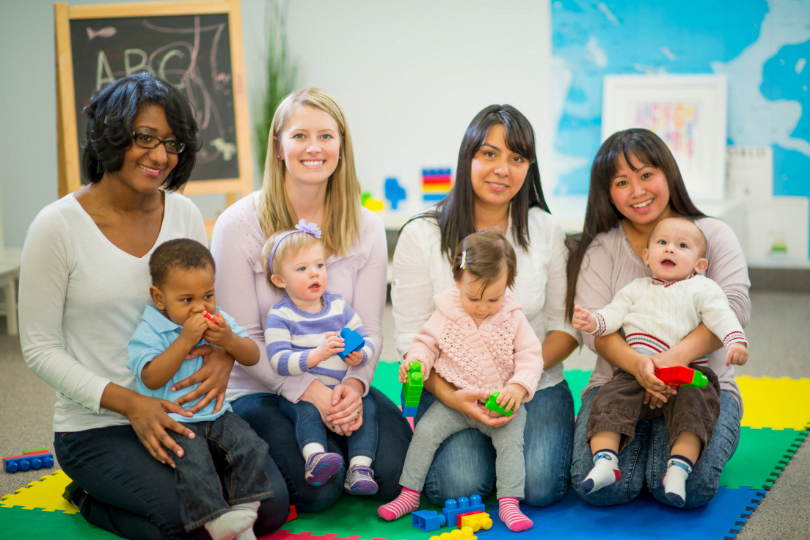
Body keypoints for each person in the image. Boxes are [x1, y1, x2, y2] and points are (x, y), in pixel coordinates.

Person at [19, 71, 289, 540]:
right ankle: (88, 494)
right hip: (99, 424)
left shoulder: (182, 213)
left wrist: (224, 354)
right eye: (145, 137)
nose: (160, 156)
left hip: (188, 415)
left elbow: (204, 308)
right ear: (111, 133)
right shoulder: (57, 226)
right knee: (190, 528)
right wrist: (132, 404)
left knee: (267, 510)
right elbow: (39, 349)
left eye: (172, 143)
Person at [210, 87, 412, 512]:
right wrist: (309, 391)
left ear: (341, 147)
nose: (314, 148)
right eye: (300, 136)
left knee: (395, 478)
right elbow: (243, 337)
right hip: (262, 387)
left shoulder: (367, 227)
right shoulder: (237, 226)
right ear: (279, 147)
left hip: (344, 380)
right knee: (318, 491)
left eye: (326, 136)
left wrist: (355, 386)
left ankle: (341, 432)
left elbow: (371, 330)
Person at [392, 104, 579, 508]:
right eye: (489, 154)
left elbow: (566, 328)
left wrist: (515, 381)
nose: (503, 169)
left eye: (516, 158)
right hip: (450, 389)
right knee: (459, 487)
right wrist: (452, 394)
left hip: (533, 385)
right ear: (468, 157)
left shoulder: (545, 230)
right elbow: (411, 341)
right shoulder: (421, 234)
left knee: (541, 487)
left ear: (529, 167)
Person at [566, 128, 751, 509]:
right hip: (620, 381)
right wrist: (639, 366)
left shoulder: (712, 234)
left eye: (646, 174)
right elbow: (600, 328)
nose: (637, 191)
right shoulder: (602, 247)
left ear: (668, 173)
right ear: (607, 192)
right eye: (621, 181)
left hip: (699, 383)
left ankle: (667, 458)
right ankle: (624, 454)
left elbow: (732, 307)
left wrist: (668, 363)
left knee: (691, 491)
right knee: (606, 492)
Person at [380, 231, 542, 532]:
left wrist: (518, 387)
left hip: (500, 405)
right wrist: (415, 363)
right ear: (458, 282)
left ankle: (509, 503)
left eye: (494, 298)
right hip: (455, 401)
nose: (483, 307)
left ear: (508, 286)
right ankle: (409, 494)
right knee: (425, 433)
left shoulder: (513, 317)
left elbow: (531, 355)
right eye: (473, 298)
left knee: (511, 445)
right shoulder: (446, 312)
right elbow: (424, 344)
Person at [127, 238, 273, 540]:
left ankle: (245, 513)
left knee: (251, 445)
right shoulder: (152, 329)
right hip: (176, 422)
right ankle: (214, 521)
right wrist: (184, 341)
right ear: (159, 297)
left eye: (208, 295)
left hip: (219, 414)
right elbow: (150, 377)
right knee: (196, 465)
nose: (201, 307)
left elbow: (253, 355)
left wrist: (229, 341)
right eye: (187, 300)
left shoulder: (219, 320)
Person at [262, 220, 379, 495]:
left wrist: (360, 356)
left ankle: (360, 468)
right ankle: (315, 458)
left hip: (341, 387)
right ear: (280, 280)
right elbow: (278, 361)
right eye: (302, 269)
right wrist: (315, 355)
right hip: (304, 393)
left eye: (319, 265)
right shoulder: (280, 316)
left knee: (368, 406)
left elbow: (368, 340)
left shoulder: (339, 307)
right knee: (308, 414)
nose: (314, 274)